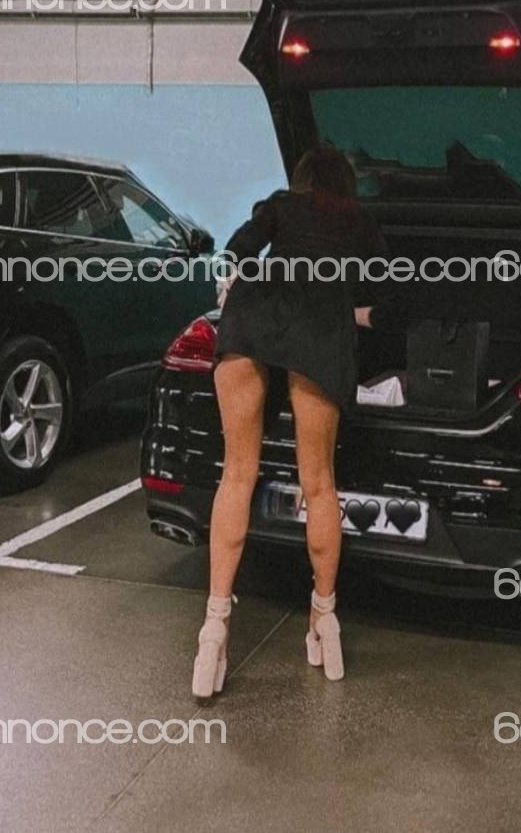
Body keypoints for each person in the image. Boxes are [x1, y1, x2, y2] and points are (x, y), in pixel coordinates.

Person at [192, 145, 388, 696]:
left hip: (253, 313)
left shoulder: (280, 204)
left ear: (301, 180)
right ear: (344, 184)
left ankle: (213, 632)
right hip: (319, 326)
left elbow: (237, 250)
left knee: (237, 474)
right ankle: (324, 619)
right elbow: (389, 290)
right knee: (318, 482)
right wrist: (357, 314)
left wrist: (229, 283)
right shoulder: (360, 220)